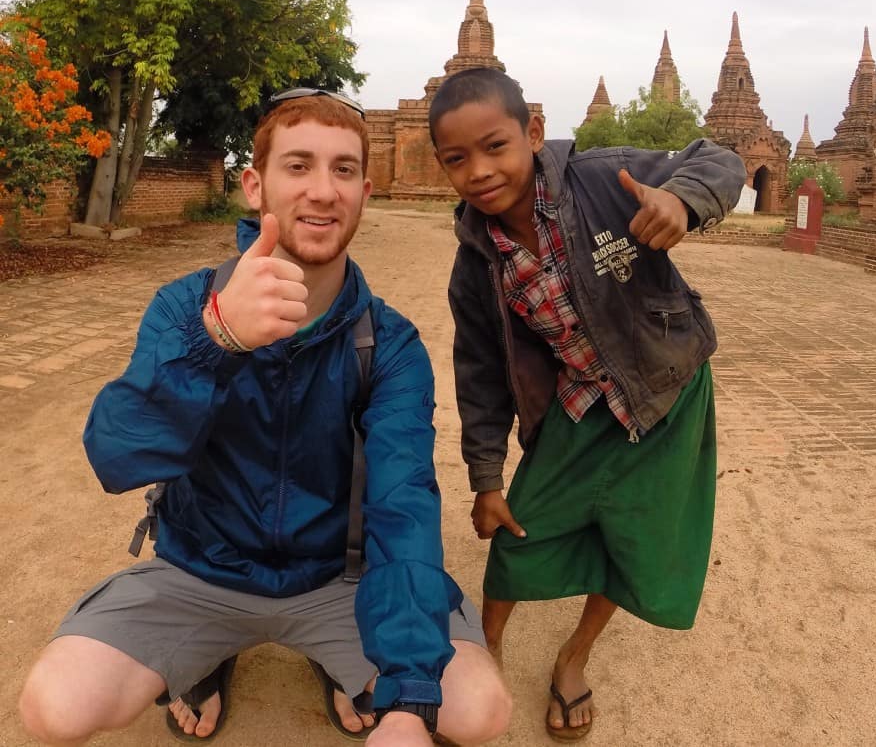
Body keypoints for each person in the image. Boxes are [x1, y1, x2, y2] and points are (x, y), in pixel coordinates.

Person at [19, 88, 511, 747]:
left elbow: (403, 505)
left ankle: (344, 663)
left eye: (342, 170)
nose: (323, 190)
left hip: (336, 577)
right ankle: (206, 660)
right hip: (202, 569)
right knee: (56, 706)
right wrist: (216, 341)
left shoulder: (387, 342)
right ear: (255, 185)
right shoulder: (185, 307)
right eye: (298, 165)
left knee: (475, 711)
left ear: (365, 192)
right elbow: (119, 456)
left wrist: (410, 698)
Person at [429, 68, 746, 741]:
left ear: (533, 134)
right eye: (457, 159)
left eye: (495, 147)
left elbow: (718, 159)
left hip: (664, 392)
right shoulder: (474, 264)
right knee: (523, 533)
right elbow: (480, 374)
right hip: (577, 404)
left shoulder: (604, 180)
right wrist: (486, 479)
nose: (480, 171)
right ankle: (486, 652)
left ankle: (574, 658)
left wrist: (682, 202)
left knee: (631, 540)